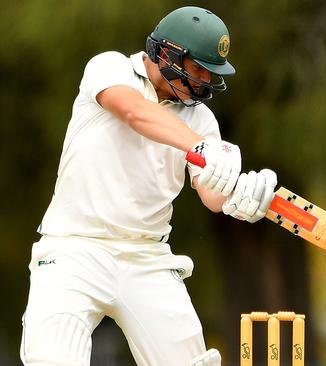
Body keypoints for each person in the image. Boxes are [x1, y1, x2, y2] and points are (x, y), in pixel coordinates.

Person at [20, 7, 277, 366]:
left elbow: (210, 194)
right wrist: (201, 148)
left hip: (147, 258)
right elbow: (135, 112)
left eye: (211, 73)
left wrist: (238, 196)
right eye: (198, 68)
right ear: (168, 54)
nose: (204, 81)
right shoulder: (110, 68)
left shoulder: (201, 120)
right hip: (73, 249)